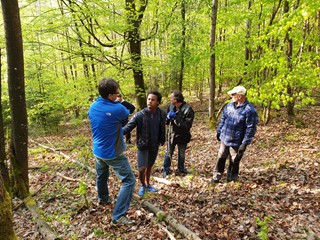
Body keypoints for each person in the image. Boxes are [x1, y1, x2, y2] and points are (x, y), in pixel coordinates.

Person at [88, 78, 136, 225]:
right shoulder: (117, 108)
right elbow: (128, 110)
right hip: (112, 153)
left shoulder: (93, 106)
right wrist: (118, 102)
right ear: (110, 95)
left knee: (102, 175)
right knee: (129, 181)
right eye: (116, 93)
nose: (118, 95)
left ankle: (103, 199)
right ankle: (118, 216)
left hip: (97, 150)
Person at [123, 90, 166, 196]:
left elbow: (166, 123)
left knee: (150, 165)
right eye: (149, 99)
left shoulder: (161, 114)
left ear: (158, 102)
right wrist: (115, 132)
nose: (150, 101)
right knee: (142, 168)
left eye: (153, 100)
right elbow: (128, 128)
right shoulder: (140, 115)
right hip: (143, 145)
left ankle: (148, 184)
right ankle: (143, 186)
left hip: (155, 145)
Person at [212, 85, 258, 183]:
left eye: (233, 94)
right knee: (221, 157)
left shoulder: (249, 110)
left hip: (237, 141)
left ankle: (231, 179)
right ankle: (216, 176)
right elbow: (223, 119)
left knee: (234, 160)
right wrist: (219, 131)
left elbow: (251, 128)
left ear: (240, 96)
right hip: (225, 138)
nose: (231, 96)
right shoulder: (229, 105)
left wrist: (244, 143)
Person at [163, 90, 194, 177]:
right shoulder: (171, 107)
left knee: (181, 153)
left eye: (171, 98)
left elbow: (187, 125)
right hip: (171, 134)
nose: (170, 99)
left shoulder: (188, 109)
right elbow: (166, 122)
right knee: (168, 152)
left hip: (182, 135)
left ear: (176, 100)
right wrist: (168, 118)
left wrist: (176, 118)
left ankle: (181, 168)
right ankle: (166, 169)